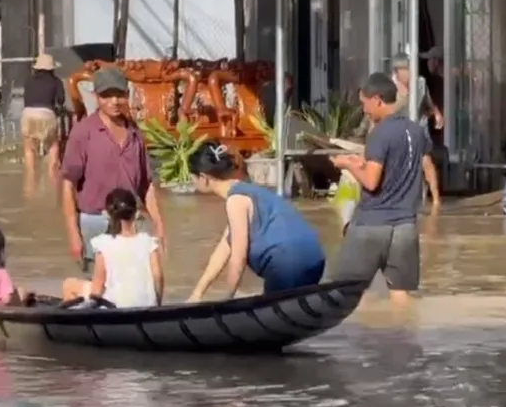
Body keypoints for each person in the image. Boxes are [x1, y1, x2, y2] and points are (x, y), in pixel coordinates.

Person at [324, 73, 439, 305]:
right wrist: (436, 199)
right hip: (405, 226)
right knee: (400, 294)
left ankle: (365, 339)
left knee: (352, 293)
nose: (364, 109)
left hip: (372, 224)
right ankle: (403, 336)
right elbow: (413, 167)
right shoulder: (415, 131)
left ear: (377, 99)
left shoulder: (380, 133)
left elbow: (371, 182)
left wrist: (347, 164)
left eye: (364, 102)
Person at [186, 142, 327, 301]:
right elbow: (224, 249)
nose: (192, 183)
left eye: (192, 178)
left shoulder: (235, 201)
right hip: (314, 259)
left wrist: (227, 299)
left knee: (273, 317)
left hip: (288, 266)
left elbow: (238, 260)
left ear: (204, 178)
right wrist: (198, 293)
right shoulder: (248, 189)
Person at [61, 65, 166, 269]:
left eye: (119, 95)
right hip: (95, 222)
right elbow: (68, 185)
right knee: (98, 289)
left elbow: (147, 185)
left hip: (131, 222)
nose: (114, 102)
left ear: (127, 94)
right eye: (107, 96)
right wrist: (74, 235)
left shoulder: (135, 133)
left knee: (135, 283)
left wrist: (160, 226)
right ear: (96, 97)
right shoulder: (83, 132)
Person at [62, 188, 163, 307]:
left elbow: (97, 287)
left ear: (107, 215)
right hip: (147, 305)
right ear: (136, 213)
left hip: (114, 307)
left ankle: (73, 323)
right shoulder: (148, 241)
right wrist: (157, 303)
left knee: (69, 285)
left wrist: (88, 305)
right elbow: (158, 277)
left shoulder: (103, 243)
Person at [390, 53, 443, 203]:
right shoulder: (390, 87)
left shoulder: (420, 82)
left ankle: (436, 198)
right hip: (399, 128)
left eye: (410, 69)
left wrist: (437, 114)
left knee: (426, 160)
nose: (408, 73)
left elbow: (429, 104)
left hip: (419, 125)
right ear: (396, 72)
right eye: (404, 69)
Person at [20, 53, 66, 178]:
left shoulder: (29, 81)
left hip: (28, 113)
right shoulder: (56, 81)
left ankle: (30, 178)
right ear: (52, 69)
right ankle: (52, 174)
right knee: (52, 145)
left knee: (29, 147)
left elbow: (27, 98)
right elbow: (61, 100)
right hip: (46, 113)